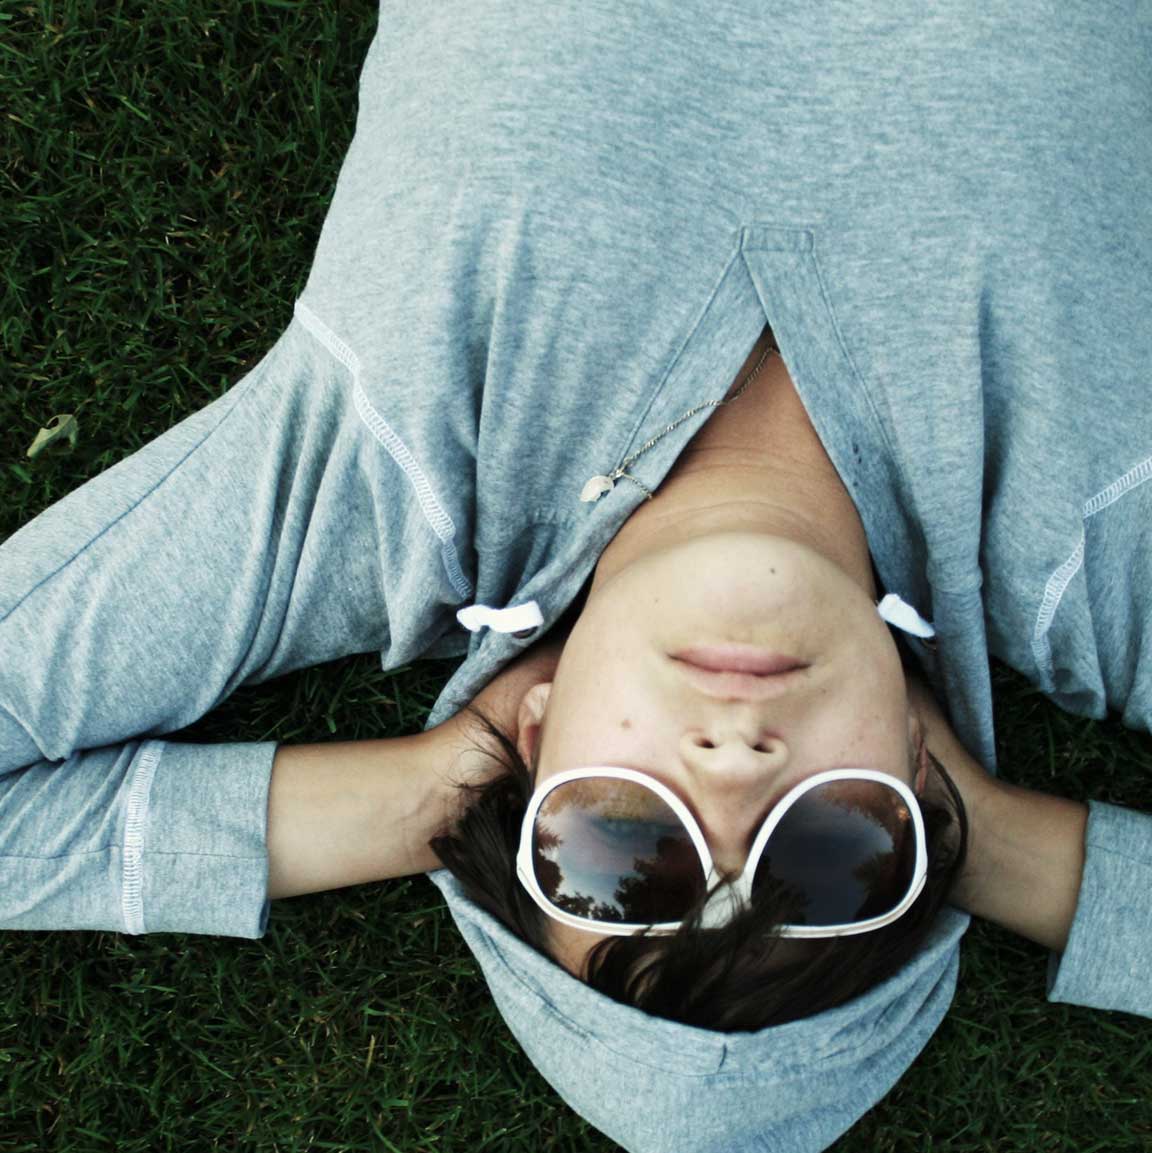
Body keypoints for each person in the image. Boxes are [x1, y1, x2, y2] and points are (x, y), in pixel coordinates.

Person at [2, 4, 1150, 1152]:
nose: (736, 767)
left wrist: (433, 794)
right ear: (916, 773)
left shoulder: (395, 476)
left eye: (618, 845)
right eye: (829, 854)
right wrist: (993, 843)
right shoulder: (1086, 544)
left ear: (537, 742)